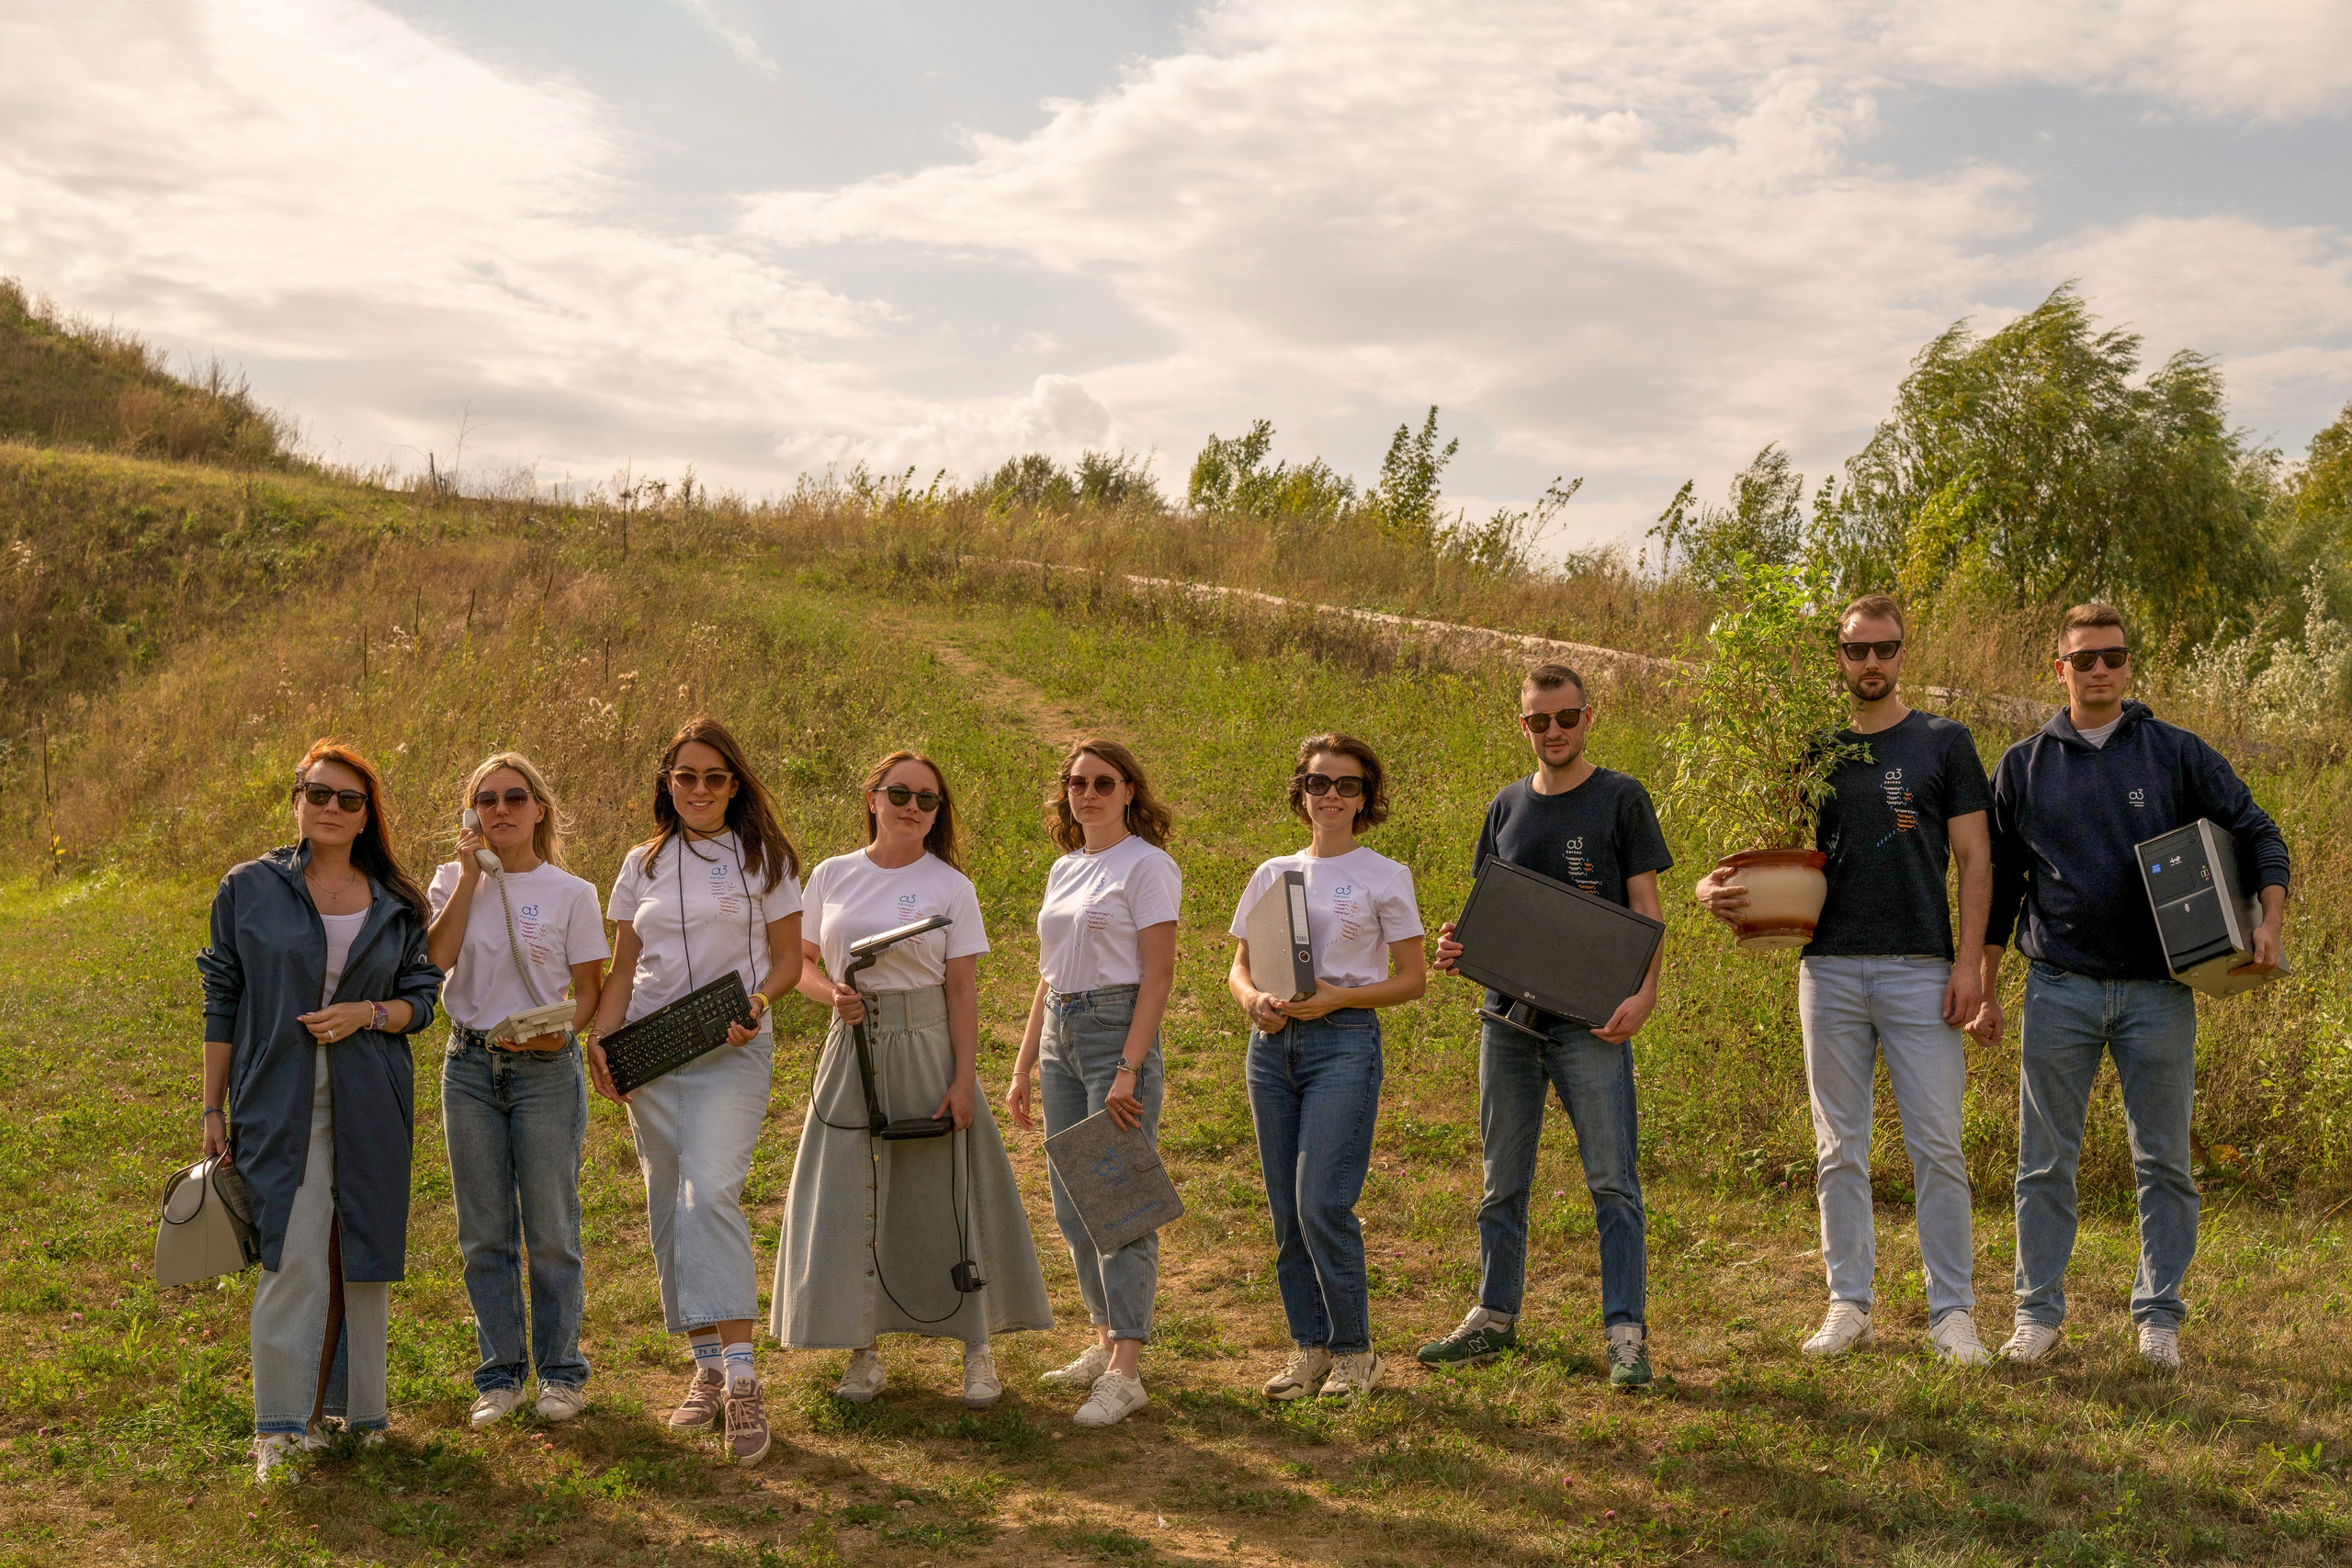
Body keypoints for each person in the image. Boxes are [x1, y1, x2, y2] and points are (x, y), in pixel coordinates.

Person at [1974, 603, 2288, 1371]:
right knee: (2043, 1162)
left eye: (2113, 656)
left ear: (2127, 665)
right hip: (2059, 987)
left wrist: (2268, 923)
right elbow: (2001, 884)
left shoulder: (2176, 754)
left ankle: (2158, 1319)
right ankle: (2036, 1316)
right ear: (2060, 669)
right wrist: (1984, 986)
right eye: (2084, 659)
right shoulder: (2022, 765)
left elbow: (2258, 831)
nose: (2100, 670)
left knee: (2165, 1164)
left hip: (2158, 993)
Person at [1694, 598, 1993, 1365]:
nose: (1871, 663)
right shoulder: (1813, 748)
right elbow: (1772, 852)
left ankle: (1952, 1313)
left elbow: (1976, 860)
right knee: (1839, 1147)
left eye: (1885, 649)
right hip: (1827, 969)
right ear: (1839, 656)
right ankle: (1848, 1303)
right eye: (1857, 650)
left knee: (1938, 1144)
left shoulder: (1944, 742)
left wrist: (1968, 966)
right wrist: (1707, 889)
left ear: (1903, 653)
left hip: (1921, 969)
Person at [773, 750, 1051, 1409]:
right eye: (900, 793)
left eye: (928, 799)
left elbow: (961, 985)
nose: (913, 807)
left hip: (928, 1040)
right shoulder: (832, 875)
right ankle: (861, 1350)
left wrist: (963, 1078)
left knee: (951, 1191)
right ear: (872, 796)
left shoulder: (950, 885)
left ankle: (977, 1351)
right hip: (853, 1048)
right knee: (854, 1187)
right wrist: (829, 992)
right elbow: (801, 963)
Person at [197, 740, 443, 1482]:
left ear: (369, 815)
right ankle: (278, 1428)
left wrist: (367, 1012)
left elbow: (422, 999)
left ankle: (352, 1414)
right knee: (291, 1251)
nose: (333, 808)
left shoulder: (398, 900)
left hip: (372, 1094)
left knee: (359, 1254)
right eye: (320, 794)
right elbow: (222, 998)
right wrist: (212, 1104)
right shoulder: (248, 887)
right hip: (277, 1094)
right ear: (296, 800)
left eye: (350, 799)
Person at [1420, 665, 1668, 1390]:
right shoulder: (1505, 807)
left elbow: (1648, 911)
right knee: (1502, 1182)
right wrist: (1453, 947)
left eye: (1566, 718)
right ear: (1521, 723)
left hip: (1591, 1025)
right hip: (1506, 1022)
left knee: (1613, 1182)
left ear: (1589, 717)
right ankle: (1493, 1318)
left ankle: (1626, 1335)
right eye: (1539, 720)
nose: (1553, 731)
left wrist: (1643, 997)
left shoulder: (1621, 798)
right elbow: (1486, 911)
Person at [587, 718, 804, 1465]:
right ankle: (706, 1366)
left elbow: (784, 961)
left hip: (729, 1047)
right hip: (650, 1054)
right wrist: (601, 1043)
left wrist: (758, 1005)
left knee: (709, 1191)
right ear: (666, 782)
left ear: (734, 783)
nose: (700, 789)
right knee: (668, 1203)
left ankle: (744, 1379)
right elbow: (622, 971)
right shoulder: (640, 862)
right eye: (686, 776)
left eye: (714, 777)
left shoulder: (764, 858)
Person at [1227, 733, 1427, 1402]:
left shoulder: (1384, 874)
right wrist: (1255, 1000)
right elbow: (1240, 965)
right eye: (1318, 783)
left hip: (1344, 1042)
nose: (1331, 796)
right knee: (1286, 1211)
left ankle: (1354, 1353)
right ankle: (1309, 1348)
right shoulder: (1271, 872)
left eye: (1346, 785)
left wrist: (1341, 997)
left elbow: (1412, 979)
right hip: (1271, 1048)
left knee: (1322, 1203)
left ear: (1366, 797)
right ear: (1300, 792)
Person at [424, 751, 609, 1428]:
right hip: (469, 1065)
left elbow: (587, 992)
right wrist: (473, 875)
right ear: (472, 814)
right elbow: (435, 960)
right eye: (485, 800)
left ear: (538, 809)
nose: (499, 809)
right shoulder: (451, 879)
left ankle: (561, 1372)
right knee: (484, 1231)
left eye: (513, 797)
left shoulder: (572, 892)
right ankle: (499, 1374)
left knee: (552, 1226)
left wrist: (557, 1035)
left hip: (543, 1070)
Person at [1005, 739, 1182, 1428]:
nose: (1088, 793)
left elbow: (1159, 974)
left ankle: (1127, 1370)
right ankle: (1104, 1335)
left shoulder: (1147, 865)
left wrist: (1130, 1066)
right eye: (1077, 782)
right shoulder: (1065, 867)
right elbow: (1048, 974)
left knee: (1120, 1201)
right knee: (1072, 1202)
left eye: (1103, 782)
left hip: (1115, 1030)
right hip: (1060, 1032)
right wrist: (1023, 1064)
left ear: (1130, 790)